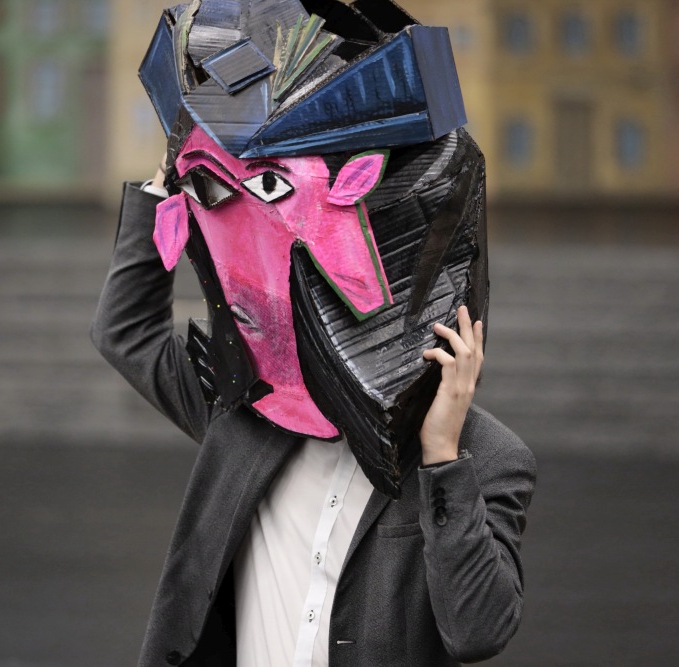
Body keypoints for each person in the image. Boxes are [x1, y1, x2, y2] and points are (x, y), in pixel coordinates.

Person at [90, 155, 537, 666]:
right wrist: (166, 181)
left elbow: (476, 632)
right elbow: (125, 332)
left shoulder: (490, 458)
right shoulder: (250, 411)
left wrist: (441, 458)